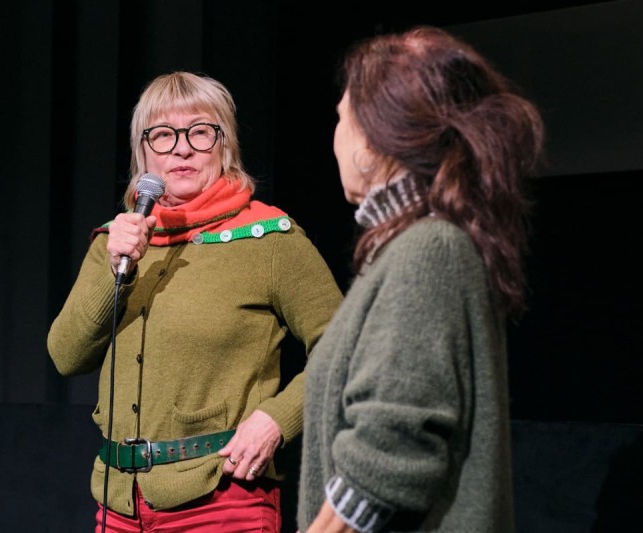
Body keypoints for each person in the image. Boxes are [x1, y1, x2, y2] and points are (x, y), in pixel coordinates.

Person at [47, 71, 343, 533]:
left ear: (224, 146)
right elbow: (66, 357)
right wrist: (113, 267)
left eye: (200, 132)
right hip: (119, 505)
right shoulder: (118, 241)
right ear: (142, 153)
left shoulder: (269, 240)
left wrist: (276, 421)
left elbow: (345, 348)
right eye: (162, 135)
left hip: (221, 501)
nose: (181, 148)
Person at [296, 26, 545, 532]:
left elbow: (386, 454)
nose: (336, 138)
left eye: (342, 118)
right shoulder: (404, 248)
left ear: (377, 132)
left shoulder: (427, 250)